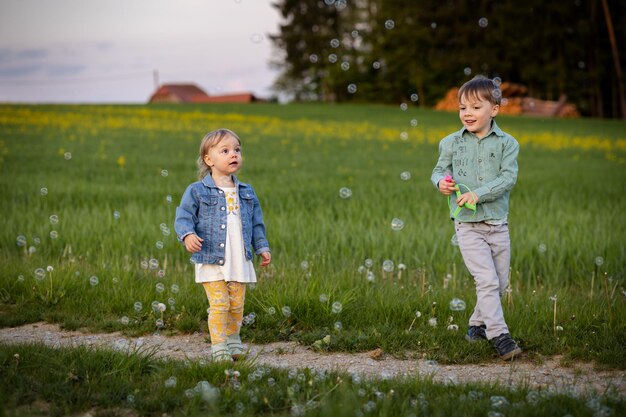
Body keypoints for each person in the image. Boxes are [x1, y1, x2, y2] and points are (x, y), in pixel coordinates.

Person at [431, 75, 522, 360]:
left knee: (500, 283)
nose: (467, 114)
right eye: (462, 108)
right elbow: (438, 171)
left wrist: (478, 194)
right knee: (486, 280)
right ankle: (500, 335)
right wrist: (440, 183)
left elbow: (508, 178)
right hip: (467, 226)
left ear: (494, 109)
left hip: (497, 224)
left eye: (475, 107)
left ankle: (476, 326)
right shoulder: (450, 143)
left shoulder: (508, 144)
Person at [175, 128, 271, 361]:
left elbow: (256, 223)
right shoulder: (196, 191)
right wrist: (187, 234)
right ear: (209, 160)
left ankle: (232, 339)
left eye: (237, 150)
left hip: (239, 257)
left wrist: (262, 247)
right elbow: (183, 216)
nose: (233, 154)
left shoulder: (247, 191)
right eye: (225, 150)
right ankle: (219, 346)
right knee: (220, 304)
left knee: (236, 304)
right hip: (211, 257)